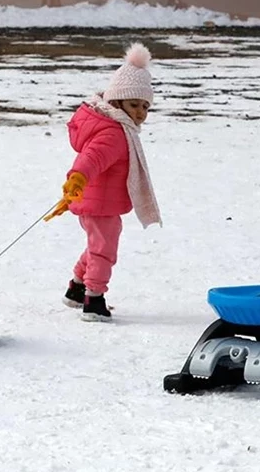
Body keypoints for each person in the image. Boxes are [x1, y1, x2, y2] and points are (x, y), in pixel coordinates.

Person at [48, 44, 162, 322]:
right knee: (104, 250)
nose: (140, 113)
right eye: (134, 105)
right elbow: (91, 159)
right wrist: (76, 179)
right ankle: (94, 300)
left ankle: (77, 288)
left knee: (97, 245)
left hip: (98, 201)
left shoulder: (119, 128)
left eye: (145, 107)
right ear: (117, 101)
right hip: (98, 202)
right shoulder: (113, 134)